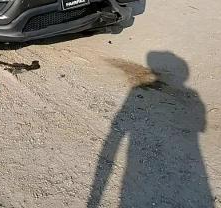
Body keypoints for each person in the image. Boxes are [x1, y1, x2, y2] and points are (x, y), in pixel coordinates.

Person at [88, 52, 213, 207]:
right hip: (192, 168)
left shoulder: (136, 93)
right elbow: (201, 127)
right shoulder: (196, 99)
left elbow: (115, 133)